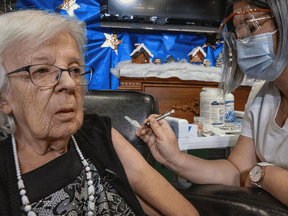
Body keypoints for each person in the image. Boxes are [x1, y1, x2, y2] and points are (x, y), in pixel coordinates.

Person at [0, 10, 199, 216]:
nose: (69, 83)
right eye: (41, 70)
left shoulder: (98, 135)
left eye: (75, 69)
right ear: (3, 98)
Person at [136, 0, 288, 207]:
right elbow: (236, 172)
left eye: (251, 26)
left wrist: (263, 174)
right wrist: (173, 158)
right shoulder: (261, 95)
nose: (243, 40)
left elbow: (250, 175)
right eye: (237, 32)